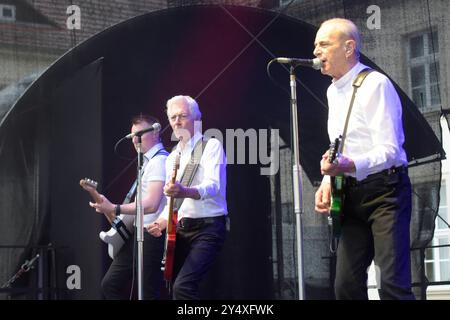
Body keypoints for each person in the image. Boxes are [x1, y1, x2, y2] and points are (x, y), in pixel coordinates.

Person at [313, 18, 415, 300]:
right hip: (350, 194)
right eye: (315, 46)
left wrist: (349, 165)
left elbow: (390, 149)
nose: (316, 52)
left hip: (386, 192)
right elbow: (339, 144)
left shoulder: (375, 84)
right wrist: (327, 179)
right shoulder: (333, 91)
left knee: (393, 284)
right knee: (345, 286)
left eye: (324, 44)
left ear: (349, 48)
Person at [147, 95, 227, 300]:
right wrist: (161, 221)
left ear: (196, 119)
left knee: (183, 288)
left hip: (208, 227)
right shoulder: (172, 156)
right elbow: (172, 202)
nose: (177, 121)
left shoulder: (211, 146)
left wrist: (186, 191)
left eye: (182, 116)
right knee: (175, 288)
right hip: (181, 231)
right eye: (173, 117)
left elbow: (214, 186)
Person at [89, 114, 168, 299]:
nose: (134, 139)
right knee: (110, 284)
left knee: (147, 292)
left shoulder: (159, 161)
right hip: (139, 233)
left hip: (152, 234)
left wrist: (115, 208)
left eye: (139, 134)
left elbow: (152, 204)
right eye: (132, 135)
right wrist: (110, 208)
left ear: (156, 132)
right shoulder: (148, 162)